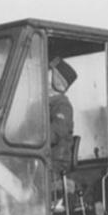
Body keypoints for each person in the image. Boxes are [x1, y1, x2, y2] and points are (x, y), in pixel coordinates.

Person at [48, 57, 78, 192]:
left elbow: (55, 133)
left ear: (57, 80)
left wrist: (30, 140)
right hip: (43, 157)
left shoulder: (62, 106)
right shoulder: (43, 102)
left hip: (53, 162)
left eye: (49, 71)